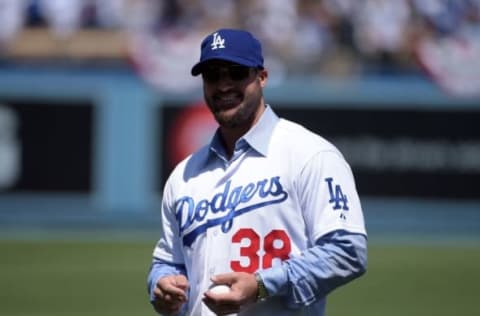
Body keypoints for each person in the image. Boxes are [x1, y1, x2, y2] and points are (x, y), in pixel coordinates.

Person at [147, 28, 367, 316]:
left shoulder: (310, 154)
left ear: (262, 77)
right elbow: (169, 261)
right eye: (213, 75)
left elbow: (347, 250)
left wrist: (262, 284)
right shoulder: (184, 176)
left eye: (236, 73)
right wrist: (161, 285)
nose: (223, 85)